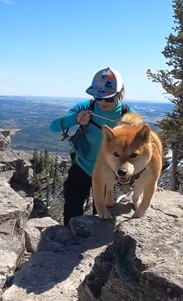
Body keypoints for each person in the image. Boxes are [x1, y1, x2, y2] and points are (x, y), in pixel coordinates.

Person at [50, 67, 135, 225]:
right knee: (72, 211)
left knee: (103, 216)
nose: (102, 102)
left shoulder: (127, 115)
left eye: (109, 98)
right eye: (98, 97)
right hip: (82, 168)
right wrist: (75, 119)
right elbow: (54, 126)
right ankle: (71, 240)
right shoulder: (86, 106)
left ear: (119, 93)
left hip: (108, 174)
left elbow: (142, 148)